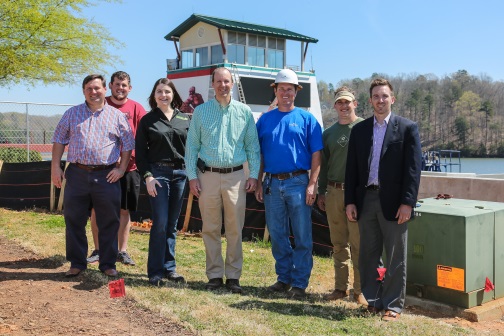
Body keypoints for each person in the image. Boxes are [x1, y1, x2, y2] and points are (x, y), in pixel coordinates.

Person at [344, 78, 421, 321]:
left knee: (395, 256)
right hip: (366, 200)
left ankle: (393, 305)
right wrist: (350, 201)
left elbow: (413, 170)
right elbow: (352, 170)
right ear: (369, 101)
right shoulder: (359, 130)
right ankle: (374, 300)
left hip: (395, 203)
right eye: (376, 96)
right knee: (368, 254)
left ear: (392, 99)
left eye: (384, 96)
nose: (380, 100)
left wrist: (407, 203)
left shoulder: (407, 128)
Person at [185, 67, 260, 294]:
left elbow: (252, 147)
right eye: (218, 81)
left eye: (226, 81)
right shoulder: (200, 112)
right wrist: (192, 177)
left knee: (235, 229)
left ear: (232, 83)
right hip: (207, 176)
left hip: (236, 177)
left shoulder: (244, 112)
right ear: (213, 84)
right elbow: (192, 147)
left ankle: (234, 277)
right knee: (210, 228)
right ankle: (215, 275)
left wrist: (254, 175)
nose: (223, 85)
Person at [51, 74, 135, 278]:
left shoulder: (117, 116)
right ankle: (77, 263)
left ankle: (107, 264)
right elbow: (59, 140)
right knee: (74, 219)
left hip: (107, 176)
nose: (93, 91)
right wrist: (55, 166)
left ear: (105, 90)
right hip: (77, 174)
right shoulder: (72, 114)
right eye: (89, 88)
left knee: (109, 221)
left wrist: (121, 169)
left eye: (97, 88)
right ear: (83, 91)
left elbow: (128, 144)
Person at [255, 69, 323, 299]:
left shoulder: (307, 119)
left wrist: (312, 184)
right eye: (281, 88)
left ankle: (300, 283)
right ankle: (284, 278)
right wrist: (258, 181)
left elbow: (316, 155)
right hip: (272, 184)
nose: (286, 92)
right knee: (277, 234)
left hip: (298, 182)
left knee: (303, 235)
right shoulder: (264, 120)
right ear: (275, 90)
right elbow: (260, 155)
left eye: (290, 89)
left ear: (296, 92)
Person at [87, 71, 147, 266]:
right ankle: (97, 249)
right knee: (97, 209)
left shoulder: (137, 108)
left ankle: (122, 251)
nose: (120, 88)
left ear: (129, 88)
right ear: (110, 87)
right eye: (117, 84)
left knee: (124, 210)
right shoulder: (101, 106)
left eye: (124, 85)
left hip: (129, 168)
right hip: (104, 169)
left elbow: (143, 137)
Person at [135, 78, 190, 286]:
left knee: (172, 225)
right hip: (157, 175)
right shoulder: (148, 121)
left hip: (180, 174)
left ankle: (170, 268)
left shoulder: (185, 119)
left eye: (167, 91)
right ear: (154, 95)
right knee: (160, 223)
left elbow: (192, 149)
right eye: (159, 91)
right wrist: (148, 176)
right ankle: (155, 271)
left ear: (173, 94)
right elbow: (140, 154)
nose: (163, 95)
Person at [317, 87, 367, 305]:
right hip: (334, 192)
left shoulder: (366, 128)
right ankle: (340, 288)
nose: (344, 106)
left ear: (355, 103)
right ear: (335, 106)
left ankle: (360, 290)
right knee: (339, 243)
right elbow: (324, 166)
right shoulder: (328, 134)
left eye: (348, 102)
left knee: (358, 244)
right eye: (340, 103)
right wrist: (321, 192)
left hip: (357, 192)